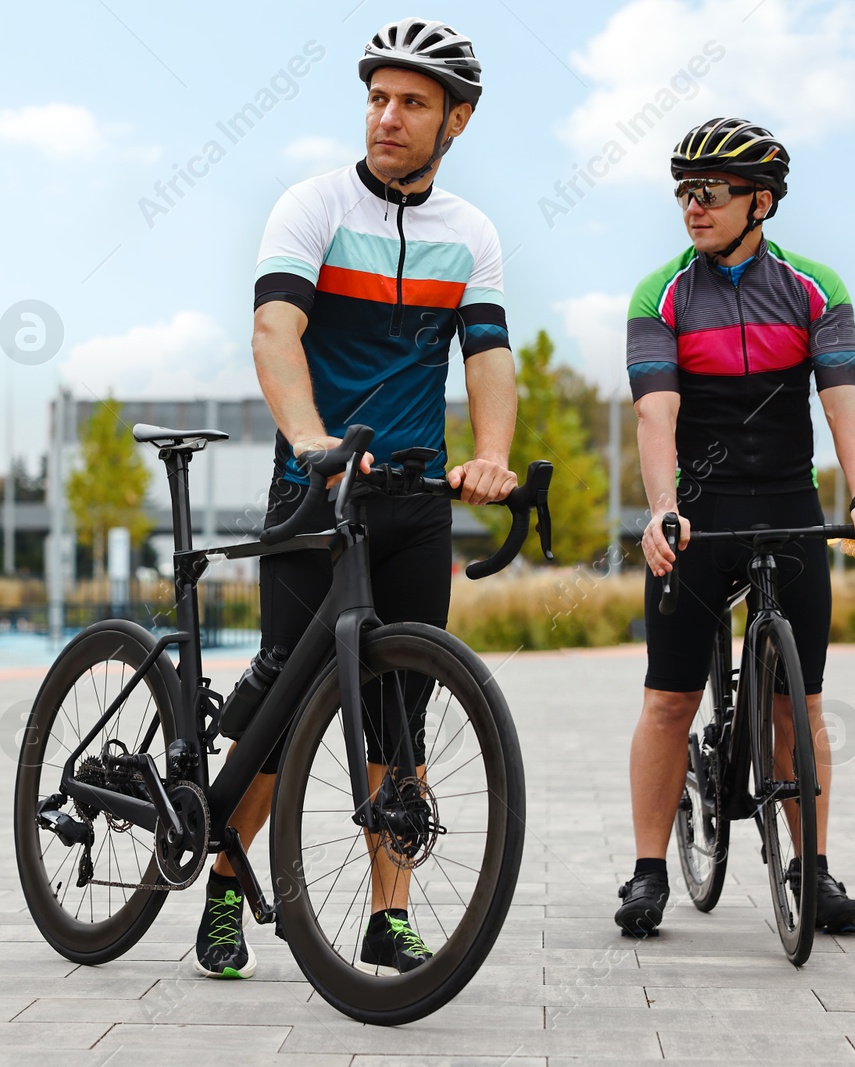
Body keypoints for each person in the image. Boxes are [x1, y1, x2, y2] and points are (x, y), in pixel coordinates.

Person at [194, 17, 519, 980]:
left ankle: (389, 915)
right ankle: (223, 879)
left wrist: (493, 455)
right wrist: (312, 442)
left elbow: (490, 356)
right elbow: (274, 331)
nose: (388, 115)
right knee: (288, 695)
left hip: (415, 495)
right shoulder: (314, 205)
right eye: (378, 97)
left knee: (400, 713)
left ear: (455, 120)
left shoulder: (471, 233)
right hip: (318, 489)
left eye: (413, 102)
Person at [618, 117, 855, 938]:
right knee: (670, 701)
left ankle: (811, 868)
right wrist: (664, 506)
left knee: (796, 705)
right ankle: (646, 872)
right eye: (683, 193)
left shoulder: (815, 288)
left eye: (708, 193)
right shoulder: (661, 293)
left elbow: (844, 403)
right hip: (700, 513)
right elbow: (655, 413)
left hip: (786, 505)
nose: (691, 207)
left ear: (761, 202)